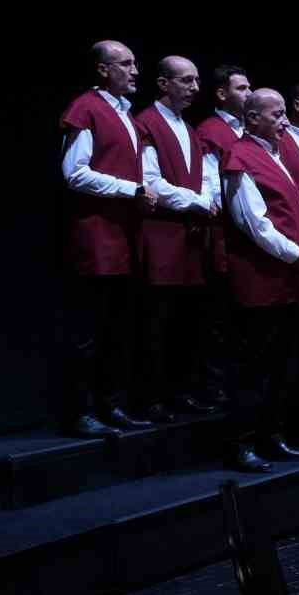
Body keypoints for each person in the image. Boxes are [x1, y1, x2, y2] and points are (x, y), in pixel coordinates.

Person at [222, 89, 299, 472]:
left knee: (280, 365)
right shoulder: (240, 156)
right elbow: (252, 221)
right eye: (276, 114)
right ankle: (241, 444)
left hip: (285, 279)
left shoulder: (275, 156)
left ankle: (272, 436)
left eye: (283, 114)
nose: (283, 121)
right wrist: (296, 253)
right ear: (252, 120)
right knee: (252, 367)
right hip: (259, 279)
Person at [58, 40, 152, 437]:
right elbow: (74, 172)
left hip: (123, 236)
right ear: (102, 70)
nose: (134, 71)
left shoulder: (126, 115)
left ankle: (111, 405)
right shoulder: (86, 109)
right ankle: (81, 411)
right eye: (125, 64)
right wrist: (129, 190)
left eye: (135, 64)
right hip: (96, 235)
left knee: (117, 328)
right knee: (90, 331)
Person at [132, 55, 218, 423]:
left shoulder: (191, 129)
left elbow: (206, 176)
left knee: (187, 323)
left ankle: (180, 391)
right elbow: (151, 180)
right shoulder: (146, 123)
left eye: (197, 81)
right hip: (162, 236)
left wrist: (207, 198)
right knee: (156, 322)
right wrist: (198, 202)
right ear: (164, 83)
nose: (194, 88)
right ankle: (150, 397)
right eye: (186, 80)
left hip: (190, 239)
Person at [194, 63, 252, 407]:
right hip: (224, 235)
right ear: (221, 94)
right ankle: (213, 387)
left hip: (253, 239)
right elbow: (213, 188)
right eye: (241, 88)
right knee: (217, 318)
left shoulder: (253, 131)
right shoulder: (211, 131)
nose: (248, 94)